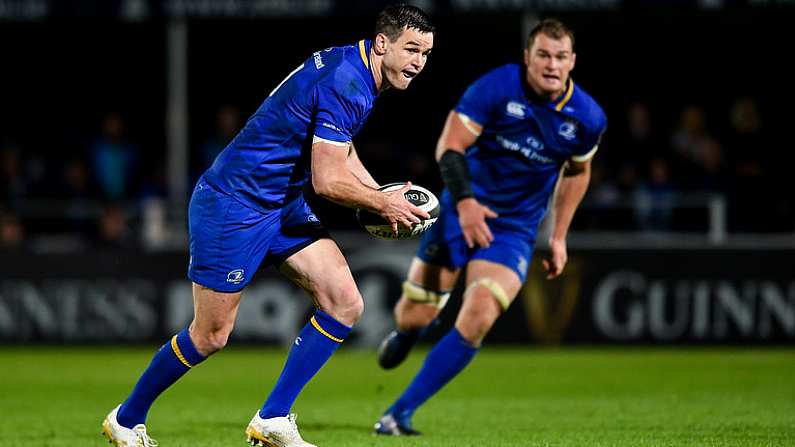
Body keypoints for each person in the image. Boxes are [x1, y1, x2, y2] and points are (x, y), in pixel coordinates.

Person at [101, 4, 435, 447]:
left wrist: (378, 195)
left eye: (426, 53)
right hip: (234, 204)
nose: (418, 62)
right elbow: (328, 179)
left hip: (281, 202)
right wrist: (381, 202)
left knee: (343, 302)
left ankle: (273, 419)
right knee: (211, 335)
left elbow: (339, 145)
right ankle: (127, 417)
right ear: (382, 44)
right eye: (411, 49)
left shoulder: (355, 68)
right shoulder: (349, 82)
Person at [373, 18, 606, 436]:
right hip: (462, 207)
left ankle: (398, 414)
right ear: (527, 58)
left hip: (514, 229)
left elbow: (577, 172)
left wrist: (558, 235)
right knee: (415, 314)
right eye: (543, 56)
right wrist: (466, 205)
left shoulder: (587, 117)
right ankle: (409, 333)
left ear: (572, 61)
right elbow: (450, 146)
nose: (552, 65)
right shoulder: (496, 88)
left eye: (561, 57)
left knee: (479, 315)